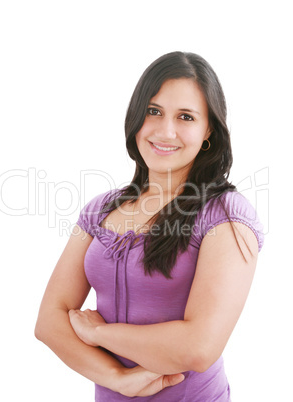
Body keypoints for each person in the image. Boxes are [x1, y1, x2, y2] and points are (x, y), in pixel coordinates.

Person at [35, 51, 264, 401]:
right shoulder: (99, 210)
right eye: (154, 111)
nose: (165, 130)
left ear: (208, 132)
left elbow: (199, 347)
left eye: (185, 117)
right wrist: (118, 379)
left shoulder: (227, 215)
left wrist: (101, 335)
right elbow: (50, 322)